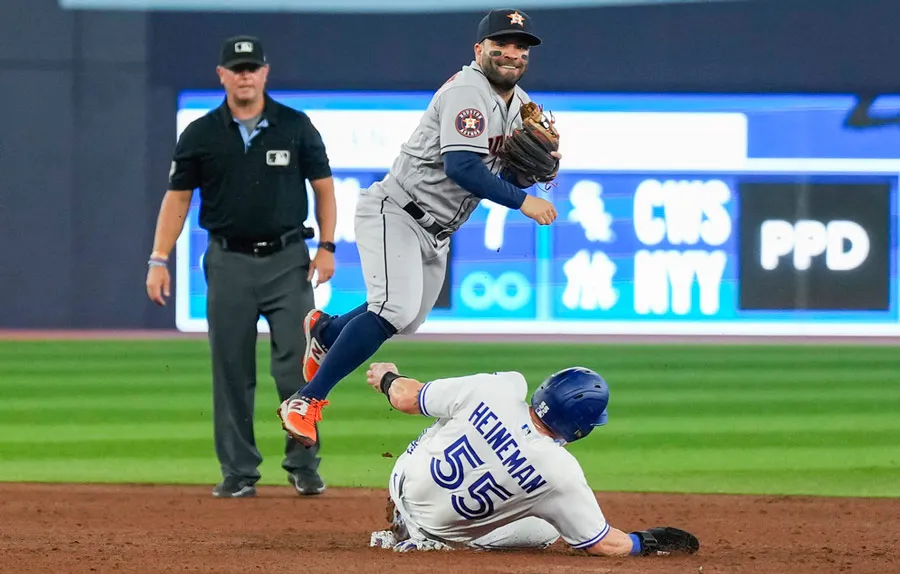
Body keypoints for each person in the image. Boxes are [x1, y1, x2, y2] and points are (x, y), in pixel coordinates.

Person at [278, 8, 560, 447]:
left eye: (521, 47)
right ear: (479, 50)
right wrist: (524, 199)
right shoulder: (470, 92)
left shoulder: (518, 104)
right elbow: (463, 166)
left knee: (406, 318)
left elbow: (501, 171)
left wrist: (526, 176)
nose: (512, 54)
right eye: (501, 44)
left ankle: (325, 332)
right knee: (392, 309)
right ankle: (306, 400)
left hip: (436, 229)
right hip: (398, 211)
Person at [145, 35, 337, 498]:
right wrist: (158, 258)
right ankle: (237, 471)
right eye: (237, 68)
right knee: (231, 368)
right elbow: (177, 199)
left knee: (298, 366)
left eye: (252, 67)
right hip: (228, 260)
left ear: (265, 73)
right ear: (222, 75)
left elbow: (324, 188)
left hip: (289, 260)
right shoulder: (201, 133)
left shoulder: (294, 126)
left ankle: (303, 463)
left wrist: (328, 245)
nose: (245, 75)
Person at [363, 362, 701, 556]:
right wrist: (645, 542)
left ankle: (405, 511)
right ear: (581, 428)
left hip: (403, 480)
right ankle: (430, 539)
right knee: (547, 526)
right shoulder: (561, 473)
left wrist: (387, 377)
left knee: (448, 421)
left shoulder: (498, 388)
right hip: (443, 531)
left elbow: (406, 398)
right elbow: (603, 544)